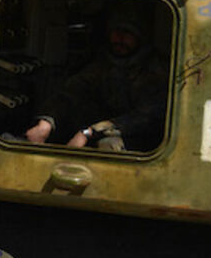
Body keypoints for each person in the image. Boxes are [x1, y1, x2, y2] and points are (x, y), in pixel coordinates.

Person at [25, 8, 168, 152]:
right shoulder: (105, 64)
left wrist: (89, 132)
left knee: (109, 144)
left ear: (140, 37)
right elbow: (71, 92)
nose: (120, 38)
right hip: (102, 129)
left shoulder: (155, 70)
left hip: (142, 138)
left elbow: (143, 119)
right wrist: (46, 122)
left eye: (127, 33)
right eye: (116, 31)